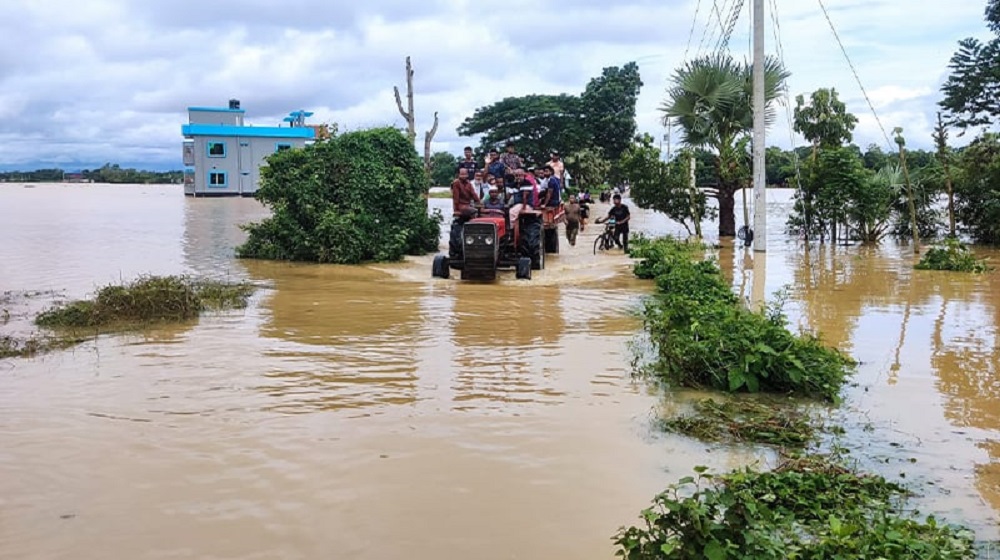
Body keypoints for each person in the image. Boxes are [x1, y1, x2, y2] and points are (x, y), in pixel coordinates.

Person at [449, 167, 481, 258]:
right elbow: (456, 198)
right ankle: (473, 230)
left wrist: (479, 202)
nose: (463, 176)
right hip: (461, 205)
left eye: (465, 174)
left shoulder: (469, 184)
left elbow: (474, 195)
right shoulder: (456, 183)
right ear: (459, 175)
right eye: (462, 174)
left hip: (468, 205)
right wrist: (456, 210)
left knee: (479, 211)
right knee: (473, 211)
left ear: (467, 175)